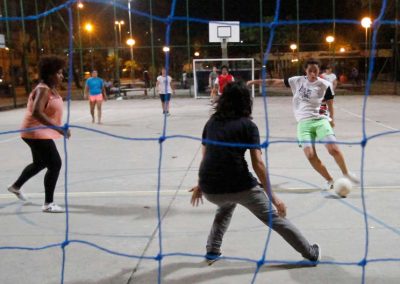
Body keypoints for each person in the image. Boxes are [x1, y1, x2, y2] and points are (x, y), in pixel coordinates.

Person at [189, 81, 320, 264]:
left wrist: (200, 184)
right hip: (239, 186)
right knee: (274, 218)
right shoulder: (248, 126)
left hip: (211, 190)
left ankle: (212, 249)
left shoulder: (211, 122)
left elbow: (206, 156)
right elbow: (258, 164)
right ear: (246, 102)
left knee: (226, 206)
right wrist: (275, 199)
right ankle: (310, 253)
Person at [247, 58, 359, 190]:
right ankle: (329, 180)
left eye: (315, 70)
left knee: (333, 149)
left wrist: (332, 119)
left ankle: (346, 173)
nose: (313, 72)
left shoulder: (324, 84)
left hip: (320, 120)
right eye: (310, 70)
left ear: (319, 71)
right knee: (310, 155)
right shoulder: (297, 81)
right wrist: (255, 82)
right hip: (303, 123)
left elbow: (330, 102)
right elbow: (274, 81)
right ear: (305, 70)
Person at [7, 55, 71, 213]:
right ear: (50, 74)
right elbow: (36, 112)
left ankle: (15, 186)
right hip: (35, 132)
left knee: (40, 163)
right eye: (59, 73)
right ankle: (48, 203)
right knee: (55, 163)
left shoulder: (50, 88)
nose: (62, 76)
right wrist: (59, 128)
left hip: (37, 131)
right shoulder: (43, 89)